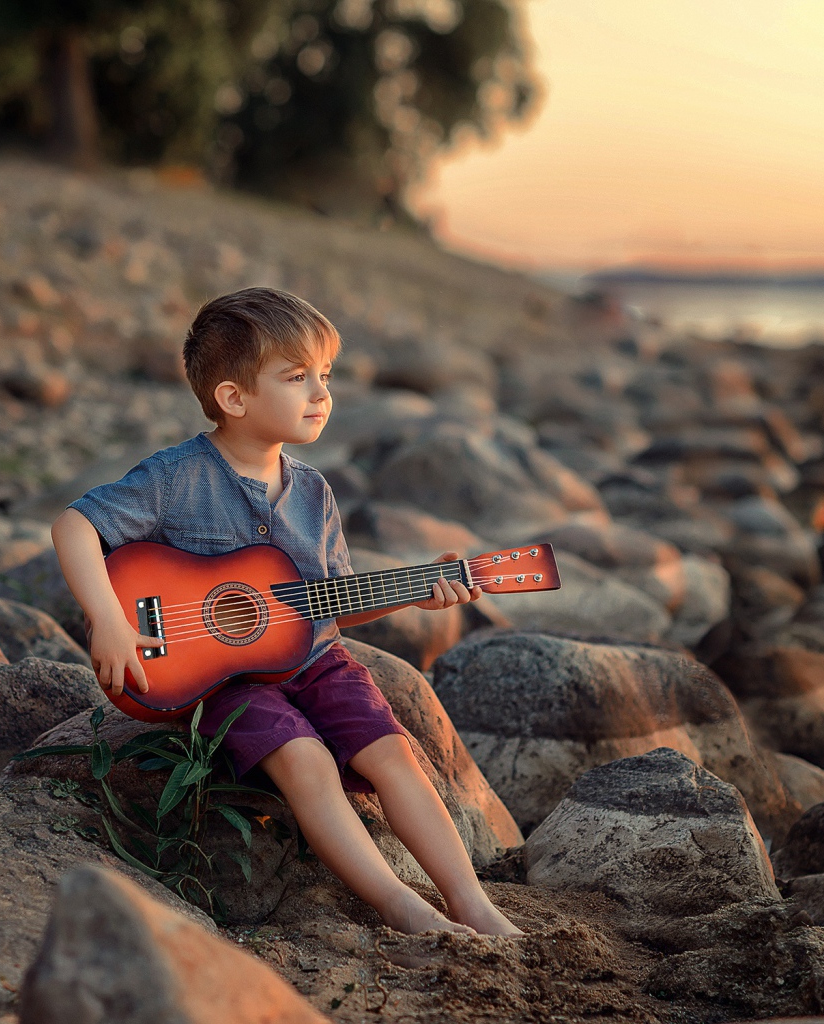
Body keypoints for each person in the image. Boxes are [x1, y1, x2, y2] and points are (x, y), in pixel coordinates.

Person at [52, 287, 520, 936]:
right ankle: (398, 904)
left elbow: (328, 606)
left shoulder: (314, 492)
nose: (322, 395)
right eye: (297, 377)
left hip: (316, 661)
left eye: (325, 376)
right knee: (305, 761)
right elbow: (75, 524)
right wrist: (107, 616)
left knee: (394, 754)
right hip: (221, 678)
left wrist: (416, 590)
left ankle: (472, 903)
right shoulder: (177, 475)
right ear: (234, 398)